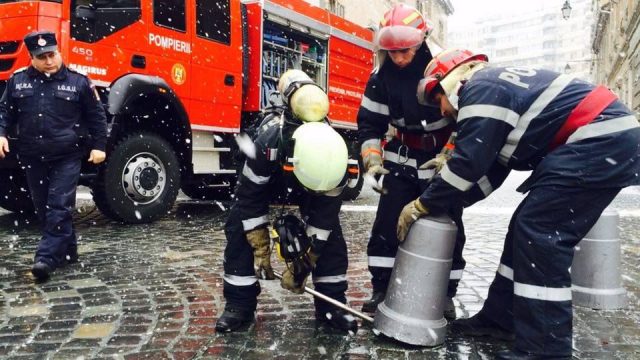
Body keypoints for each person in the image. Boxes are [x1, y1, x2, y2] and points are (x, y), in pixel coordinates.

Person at [400, 48, 640, 359]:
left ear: (448, 81)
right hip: (602, 140)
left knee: (541, 234)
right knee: (524, 227)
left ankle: (545, 349)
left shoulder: (479, 88)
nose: (443, 111)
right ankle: (502, 319)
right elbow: (493, 171)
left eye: (438, 100)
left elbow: (468, 164)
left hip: (598, 140)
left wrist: (422, 204)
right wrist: (453, 202)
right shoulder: (494, 87)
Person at [215, 69, 358, 334]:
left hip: (310, 185)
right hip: (270, 179)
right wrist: (260, 245)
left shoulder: (335, 156)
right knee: (238, 228)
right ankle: (239, 306)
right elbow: (250, 197)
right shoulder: (268, 143)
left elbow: (323, 220)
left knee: (332, 240)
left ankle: (333, 306)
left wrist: (305, 263)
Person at [356, 3, 465, 318]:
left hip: (441, 157)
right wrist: (373, 162)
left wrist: (450, 153)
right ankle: (382, 287)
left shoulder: (443, 69)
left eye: (405, 51)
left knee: (450, 227)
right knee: (386, 227)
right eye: (392, 52)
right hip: (401, 158)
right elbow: (370, 124)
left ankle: (446, 294)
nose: (399, 58)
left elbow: (463, 120)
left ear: (420, 42)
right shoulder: (379, 78)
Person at [0, 30, 108, 281]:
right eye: (42, 57)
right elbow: (4, 111)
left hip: (66, 155)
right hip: (31, 155)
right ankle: (68, 251)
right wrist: (1, 133)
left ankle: (46, 258)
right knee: (42, 208)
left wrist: (99, 146)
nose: (49, 60)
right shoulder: (18, 81)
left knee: (58, 206)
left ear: (58, 51)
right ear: (31, 58)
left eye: (52, 54)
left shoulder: (78, 82)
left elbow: (96, 116)